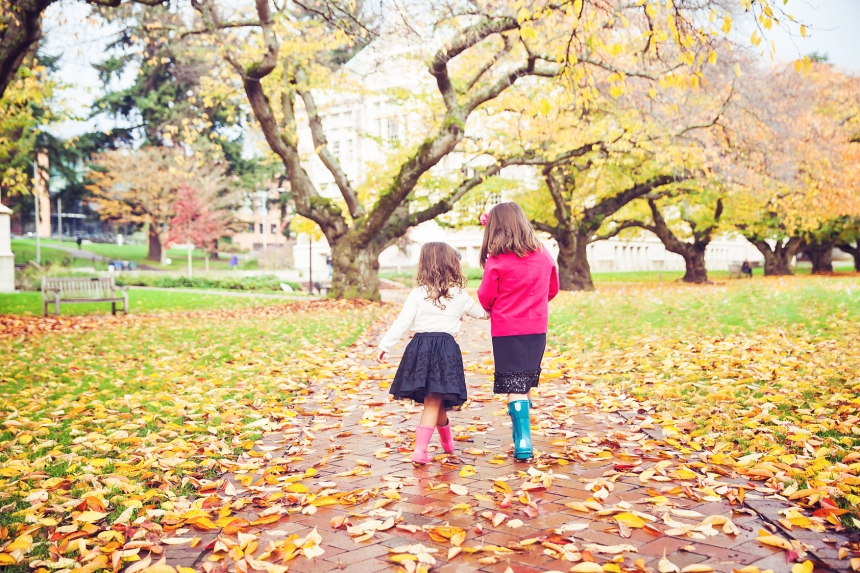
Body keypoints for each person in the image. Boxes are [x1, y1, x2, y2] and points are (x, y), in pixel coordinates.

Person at [376, 242, 488, 465]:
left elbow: (402, 322)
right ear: (452, 264)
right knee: (433, 399)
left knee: (437, 399)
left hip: (421, 348)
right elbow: (483, 314)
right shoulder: (459, 295)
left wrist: (384, 345)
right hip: (445, 350)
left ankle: (448, 445)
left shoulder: (418, 294)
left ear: (424, 265)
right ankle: (420, 451)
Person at [477, 202, 559, 461]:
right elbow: (552, 288)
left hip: (506, 329)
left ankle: (523, 439)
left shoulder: (497, 260)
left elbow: (486, 296)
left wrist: (495, 305)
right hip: (536, 328)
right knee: (525, 380)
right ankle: (519, 431)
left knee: (514, 381)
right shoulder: (543, 253)